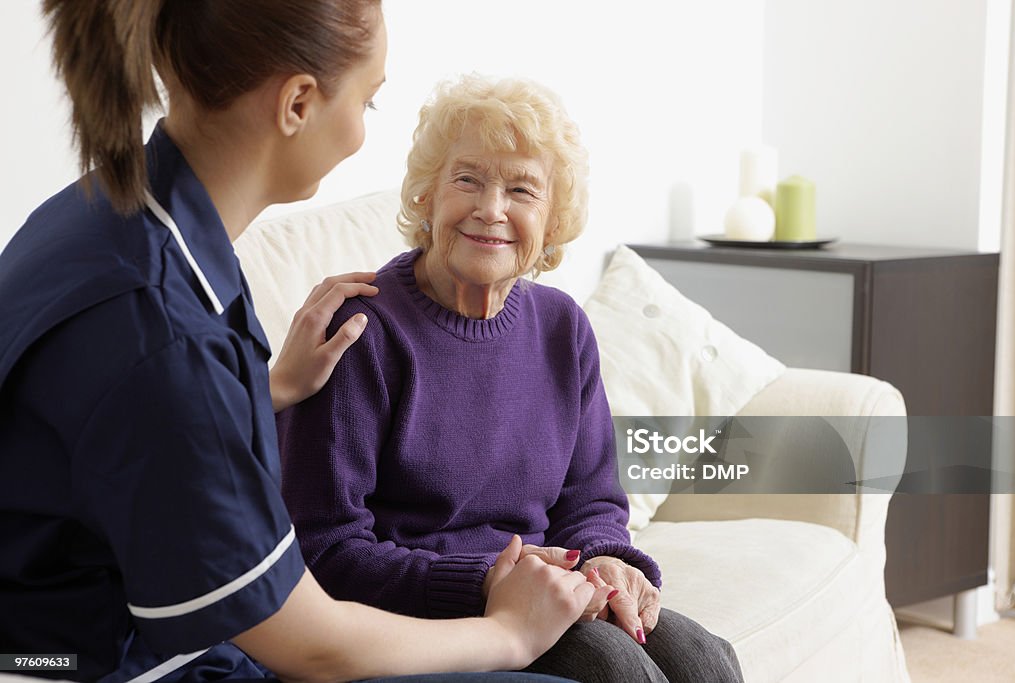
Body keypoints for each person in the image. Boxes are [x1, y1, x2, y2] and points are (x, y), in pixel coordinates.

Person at [0, 3, 597, 682]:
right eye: (369, 103)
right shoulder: (165, 331)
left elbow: (117, 422)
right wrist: (509, 633)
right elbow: (312, 644)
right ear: (298, 103)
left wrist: (268, 385)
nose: (363, 132)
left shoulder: (111, 212)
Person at [277, 75, 745, 683]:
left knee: (705, 659)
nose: (491, 209)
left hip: (546, 587)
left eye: (522, 189)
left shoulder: (562, 329)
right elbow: (327, 551)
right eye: (467, 178)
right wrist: (487, 581)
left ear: (551, 221)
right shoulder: (363, 329)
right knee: (613, 669)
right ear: (426, 196)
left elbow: (592, 499)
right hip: (418, 613)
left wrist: (604, 559)